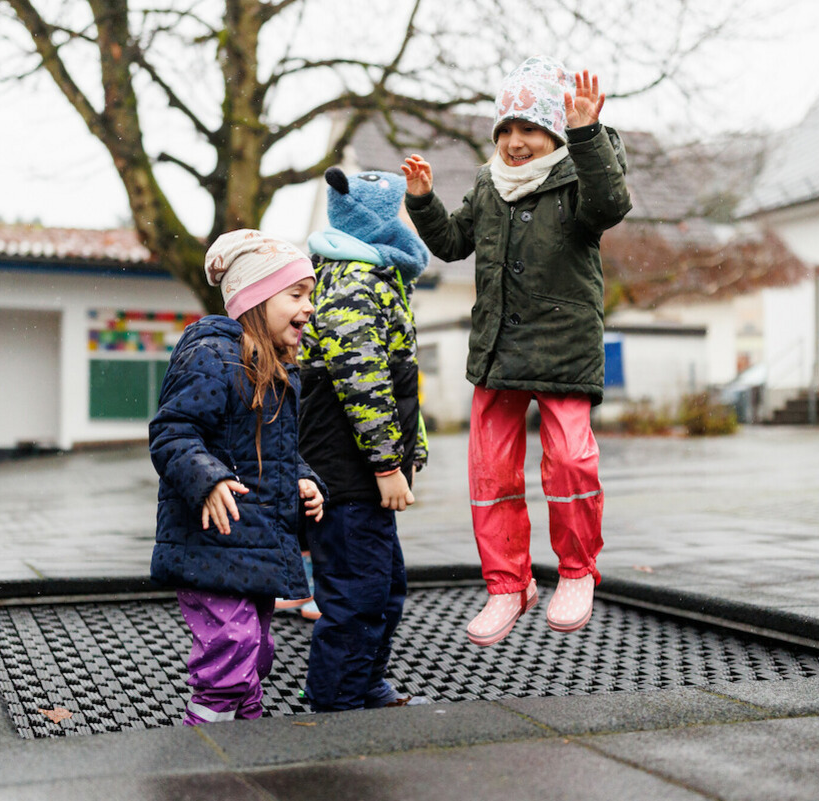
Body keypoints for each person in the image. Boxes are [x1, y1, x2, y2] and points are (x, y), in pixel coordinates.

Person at [402, 56, 632, 647]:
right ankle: (508, 583)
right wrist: (424, 202)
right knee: (490, 471)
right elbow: (453, 243)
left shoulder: (579, 176)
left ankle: (576, 571)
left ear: (554, 131)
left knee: (572, 460)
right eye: (505, 129)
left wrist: (587, 133)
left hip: (563, 349)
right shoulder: (488, 184)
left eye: (529, 128)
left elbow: (610, 205)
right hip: (499, 351)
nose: (514, 141)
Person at [148, 229, 327, 724]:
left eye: (309, 295)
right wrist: (209, 479)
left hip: (253, 546)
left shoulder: (276, 370)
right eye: (296, 294)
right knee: (232, 648)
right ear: (256, 298)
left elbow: (277, 450)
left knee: (255, 653)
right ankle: (205, 742)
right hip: (211, 543)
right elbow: (172, 431)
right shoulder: (212, 356)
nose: (309, 307)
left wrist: (305, 479)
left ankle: (243, 738)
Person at [298, 166, 430, 711]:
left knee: (384, 587)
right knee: (357, 592)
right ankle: (339, 698)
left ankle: (363, 683)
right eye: (397, 211)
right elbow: (363, 383)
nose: (406, 222)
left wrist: (411, 453)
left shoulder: (376, 276)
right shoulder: (353, 283)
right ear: (376, 220)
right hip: (345, 470)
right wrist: (386, 465)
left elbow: (401, 383)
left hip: (361, 469)